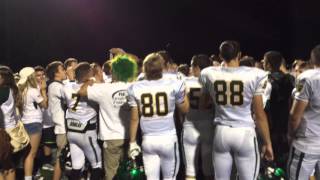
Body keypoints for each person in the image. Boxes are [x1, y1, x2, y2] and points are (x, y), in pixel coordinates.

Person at [200, 41, 273, 180]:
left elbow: (203, 105)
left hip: (221, 132)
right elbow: (259, 114)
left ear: (221, 56)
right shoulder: (255, 74)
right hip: (244, 132)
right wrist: (267, 142)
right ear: (239, 55)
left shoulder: (209, 73)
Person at [128, 53, 189, 180]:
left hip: (148, 141)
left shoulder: (135, 87)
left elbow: (134, 119)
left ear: (144, 68)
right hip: (168, 139)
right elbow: (185, 109)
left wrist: (132, 142)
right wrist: (184, 95)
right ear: (162, 67)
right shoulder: (174, 83)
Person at [78, 55, 137, 180]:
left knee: (111, 174)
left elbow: (81, 92)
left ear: (114, 71)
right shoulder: (135, 87)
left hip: (111, 138)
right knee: (130, 173)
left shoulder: (104, 89)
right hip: (131, 136)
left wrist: (89, 81)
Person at [62, 62, 102, 179]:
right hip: (87, 133)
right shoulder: (92, 88)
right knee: (97, 166)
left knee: (77, 166)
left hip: (72, 132)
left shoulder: (66, 87)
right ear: (88, 75)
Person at [287, 45, 320, 179]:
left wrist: (290, 134)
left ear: (313, 59)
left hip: (307, 144)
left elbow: (295, 116)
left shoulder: (308, 78)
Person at [183, 54, 214, 180]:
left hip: (190, 125)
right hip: (208, 124)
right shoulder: (213, 82)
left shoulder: (185, 82)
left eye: (192, 65)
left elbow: (182, 107)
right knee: (208, 169)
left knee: (190, 169)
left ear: (197, 67)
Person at [263, 51, 294, 165]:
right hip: (286, 121)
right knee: (284, 157)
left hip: (270, 122)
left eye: (265, 61)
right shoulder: (291, 78)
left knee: (270, 157)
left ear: (269, 64)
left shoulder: (266, 79)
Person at [18, 67, 48, 180]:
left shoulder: (21, 90)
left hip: (24, 122)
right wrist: (44, 91)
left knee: (27, 154)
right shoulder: (33, 90)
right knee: (31, 154)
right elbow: (45, 105)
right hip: (34, 123)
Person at [0, 66, 28, 180]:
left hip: (3, 131)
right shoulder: (12, 89)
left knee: (3, 166)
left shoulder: (3, 91)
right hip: (10, 130)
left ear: (4, 78)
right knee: (8, 165)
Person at [46, 61, 67, 180]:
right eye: (62, 69)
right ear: (56, 73)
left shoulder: (59, 85)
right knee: (61, 158)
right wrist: (73, 80)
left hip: (63, 127)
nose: (65, 71)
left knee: (63, 158)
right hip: (62, 128)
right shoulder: (55, 86)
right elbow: (72, 98)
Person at [34, 66, 56, 169]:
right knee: (36, 149)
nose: (41, 77)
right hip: (36, 123)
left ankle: (47, 167)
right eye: (38, 75)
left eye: (43, 75)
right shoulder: (32, 90)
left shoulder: (50, 87)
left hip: (48, 122)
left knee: (48, 149)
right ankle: (38, 169)